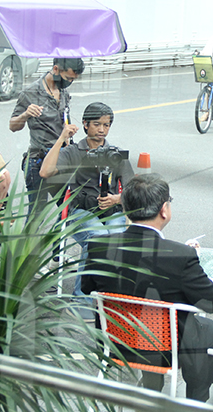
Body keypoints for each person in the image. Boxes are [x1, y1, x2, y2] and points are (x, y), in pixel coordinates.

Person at [82, 174, 213, 403]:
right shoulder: (181, 256)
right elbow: (211, 302)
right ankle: (195, 403)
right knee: (204, 327)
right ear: (164, 210)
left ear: (125, 208)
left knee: (151, 317)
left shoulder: (98, 246)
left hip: (115, 343)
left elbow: (88, 288)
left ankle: (151, 387)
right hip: (164, 349)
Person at [40, 102, 134, 315]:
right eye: (97, 124)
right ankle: (81, 299)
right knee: (97, 239)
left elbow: (132, 190)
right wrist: (61, 139)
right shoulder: (73, 151)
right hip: (81, 211)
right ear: (85, 125)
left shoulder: (115, 154)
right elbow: (45, 172)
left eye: (106, 125)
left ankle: (113, 296)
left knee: (118, 238)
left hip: (112, 210)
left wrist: (117, 199)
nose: (102, 130)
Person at [9, 58, 85, 216]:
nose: (69, 82)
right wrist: (25, 114)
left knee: (68, 209)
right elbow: (13, 126)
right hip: (38, 161)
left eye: (73, 79)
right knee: (37, 213)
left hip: (61, 158)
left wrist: (68, 130)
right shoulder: (30, 93)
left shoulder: (63, 91)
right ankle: (27, 241)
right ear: (56, 69)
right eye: (68, 78)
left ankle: (57, 241)